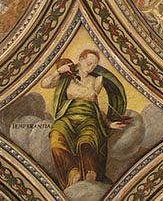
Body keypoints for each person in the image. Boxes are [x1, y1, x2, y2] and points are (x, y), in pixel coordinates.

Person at [42, 49, 128, 188]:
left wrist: (108, 123)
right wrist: (58, 72)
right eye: (89, 63)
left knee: (87, 142)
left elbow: (97, 107)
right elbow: (44, 84)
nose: (91, 67)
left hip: (89, 118)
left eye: (94, 65)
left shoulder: (96, 81)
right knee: (56, 139)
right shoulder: (66, 78)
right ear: (81, 60)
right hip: (67, 117)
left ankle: (89, 174)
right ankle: (72, 172)